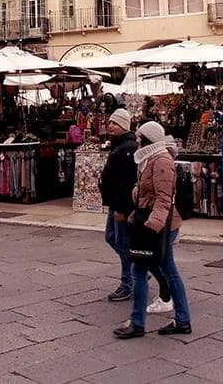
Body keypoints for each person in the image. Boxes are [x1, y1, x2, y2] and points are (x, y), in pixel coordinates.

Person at [114, 121, 192, 339]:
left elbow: (164, 198)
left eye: (139, 137)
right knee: (153, 271)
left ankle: (141, 323)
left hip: (158, 225)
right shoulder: (149, 159)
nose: (136, 140)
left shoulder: (161, 161)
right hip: (149, 221)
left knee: (156, 271)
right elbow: (148, 193)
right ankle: (179, 320)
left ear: (148, 139)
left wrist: (152, 227)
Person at [99, 108, 138, 303]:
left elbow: (126, 182)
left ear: (124, 125)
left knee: (122, 243)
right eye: (111, 122)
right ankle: (135, 272)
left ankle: (128, 283)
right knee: (111, 237)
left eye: (115, 123)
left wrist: (122, 209)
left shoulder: (127, 148)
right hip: (115, 203)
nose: (110, 125)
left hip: (120, 205)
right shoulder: (120, 145)